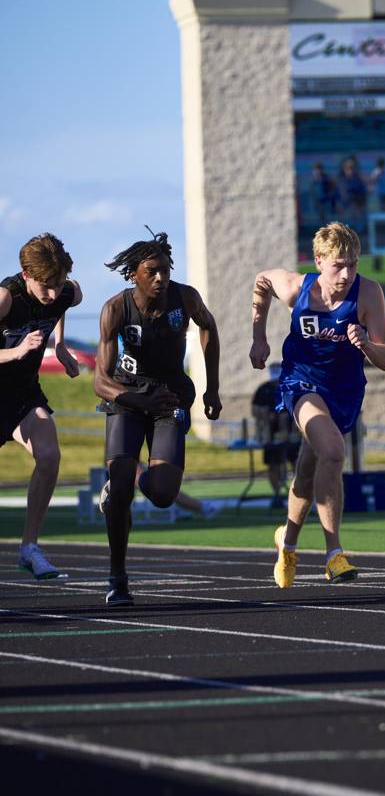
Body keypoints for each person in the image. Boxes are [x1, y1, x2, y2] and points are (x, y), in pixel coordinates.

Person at [250, 222, 385, 588]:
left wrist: (365, 344)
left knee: (310, 467)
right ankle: (334, 554)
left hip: (344, 389)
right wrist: (258, 336)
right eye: (337, 266)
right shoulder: (297, 287)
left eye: (353, 265)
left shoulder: (368, 294)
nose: (346, 274)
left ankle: (288, 543)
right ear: (318, 261)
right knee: (331, 450)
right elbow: (262, 280)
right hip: (301, 380)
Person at [94, 229, 222, 605]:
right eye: (152, 271)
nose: (160, 277)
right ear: (134, 273)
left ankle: (135, 474)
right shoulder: (116, 309)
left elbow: (208, 327)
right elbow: (100, 382)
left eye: (165, 269)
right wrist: (135, 399)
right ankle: (118, 579)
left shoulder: (185, 297)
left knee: (164, 494)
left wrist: (212, 388)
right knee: (120, 492)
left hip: (168, 398)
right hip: (128, 399)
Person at [5, 234, 82, 580]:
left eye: (58, 284)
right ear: (26, 275)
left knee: (49, 457)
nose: (53, 293)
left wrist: (60, 345)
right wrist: (14, 352)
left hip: (23, 396)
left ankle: (29, 548)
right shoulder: (7, 298)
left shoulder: (67, 291)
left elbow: (64, 302)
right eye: (46, 286)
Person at [252, 362, 300, 509]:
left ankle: (299, 494)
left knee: (297, 464)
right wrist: (265, 415)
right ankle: (277, 494)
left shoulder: (291, 388)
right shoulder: (263, 390)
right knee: (273, 465)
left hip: (291, 435)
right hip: (271, 435)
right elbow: (255, 410)